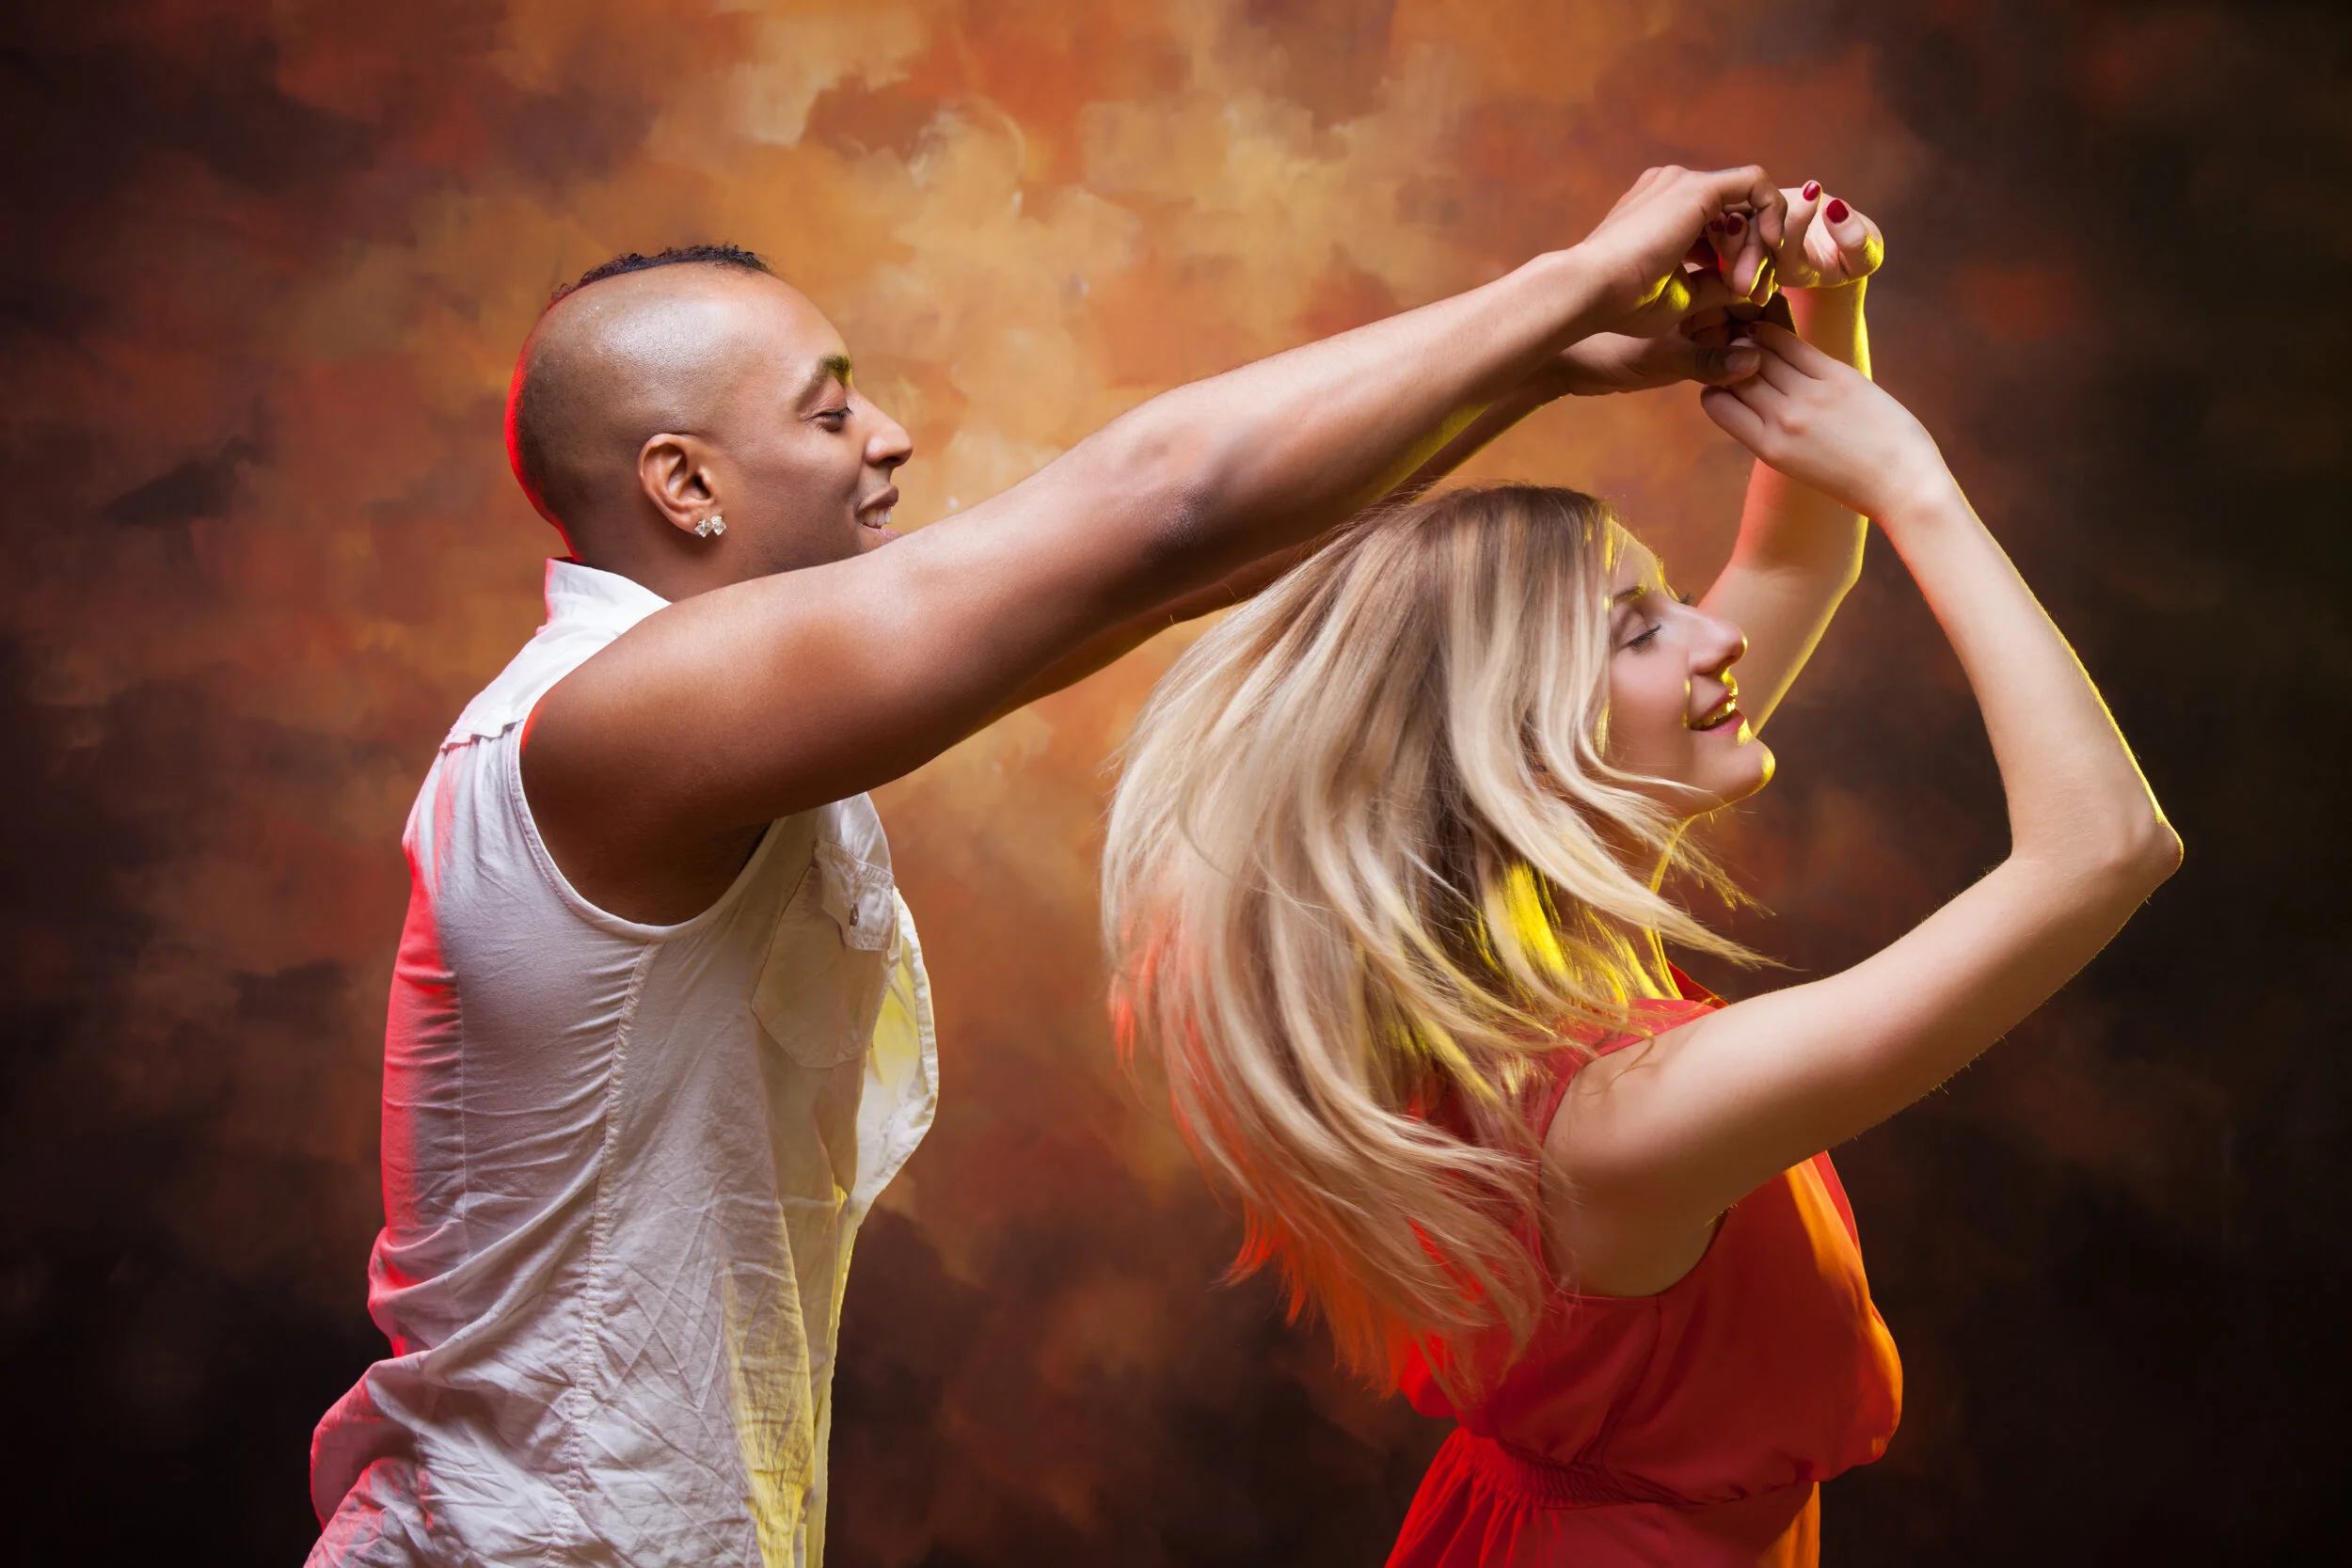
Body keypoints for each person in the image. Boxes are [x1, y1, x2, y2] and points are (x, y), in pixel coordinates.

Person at [306, 166, 1813, 1566]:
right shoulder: (602, 723)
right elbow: (1157, 505)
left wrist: (1549, 366)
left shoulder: (703, 716)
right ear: (685, 484)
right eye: (830, 416)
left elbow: (1179, 568)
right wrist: (1573, 280)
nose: (888, 435)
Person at [1101, 199, 2182, 1563]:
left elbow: (1797, 553)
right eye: (1639, 626)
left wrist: (1815, 314)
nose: (1713, 637)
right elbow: (2105, 846)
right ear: (1526, 740)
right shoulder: (1625, 1117)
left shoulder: (1524, 934)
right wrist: (1917, 481)